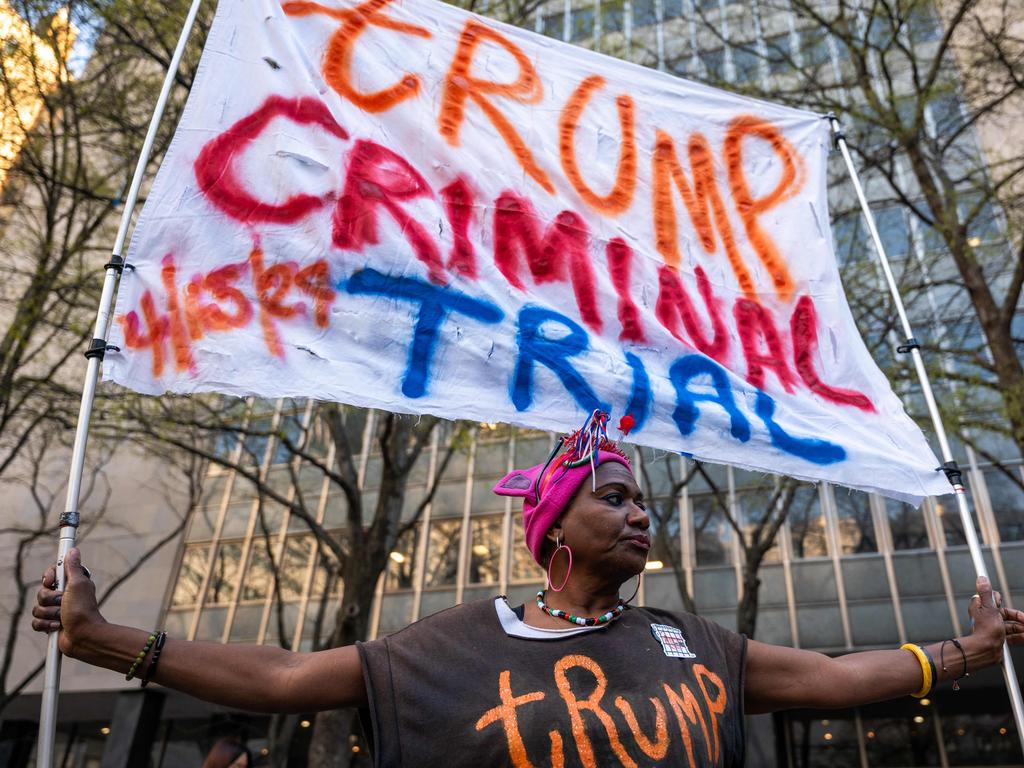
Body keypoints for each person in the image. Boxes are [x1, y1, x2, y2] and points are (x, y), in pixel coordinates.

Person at [33, 412, 1023, 766]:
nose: (642, 516)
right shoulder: (449, 644)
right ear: (551, 528)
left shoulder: (696, 645)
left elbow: (826, 680)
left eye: (643, 503)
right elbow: (288, 679)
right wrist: (104, 639)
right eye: (615, 499)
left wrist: (967, 654)